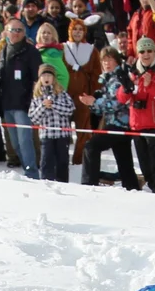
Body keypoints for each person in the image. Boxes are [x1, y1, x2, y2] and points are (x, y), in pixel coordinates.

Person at [117, 36, 155, 194]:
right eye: (142, 51)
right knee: (147, 170)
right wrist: (125, 88)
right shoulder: (132, 71)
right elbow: (122, 99)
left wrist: (150, 86)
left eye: (149, 51)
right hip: (138, 127)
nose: (146, 54)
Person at [79, 45, 140, 190]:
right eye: (103, 60)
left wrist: (94, 102)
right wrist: (92, 102)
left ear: (117, 61)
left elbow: (116, 104)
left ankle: (89, 184)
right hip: (117, 124)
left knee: (91, 147)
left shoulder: (118, 79)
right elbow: (104, 108)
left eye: (109, 59)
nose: (106, 63)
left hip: (119, 124)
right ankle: (133, 188)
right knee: (124, 161)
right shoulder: (108, 79)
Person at [0, 18, 42, 179]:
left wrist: (33, 100)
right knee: (15, 142)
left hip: (24, 104)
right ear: (6, 32)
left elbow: (38, 79)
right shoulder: (3, 50)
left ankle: (32, 172)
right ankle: (26, 167)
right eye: (12, 30)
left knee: (25, 140)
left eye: (19, 30)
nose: (16, 33)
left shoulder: (31, 52)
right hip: (7, 103)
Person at [64, 17, 102, 166]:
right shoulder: (64, 48)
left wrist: (93, 94)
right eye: (75, 29)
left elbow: (96, 74)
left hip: (83, 95)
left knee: (84, 128)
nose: (77, 32)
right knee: (63, 129)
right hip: (66, 96)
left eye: (80, 29)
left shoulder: (92, 50)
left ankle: (80, 159)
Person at [28, 63, 75, 182]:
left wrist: (54, 105)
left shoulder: (62, 93)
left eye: (49, 75)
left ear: (54, 78)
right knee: (46, 162)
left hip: (62, 135)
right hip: (46, 136)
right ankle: (46, 185)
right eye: (44, 76)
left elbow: (70, 109)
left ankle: (63, 184)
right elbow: (33, 117)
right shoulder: (37, 96)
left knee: (62, 163)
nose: (46, 78)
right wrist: (43, 106)